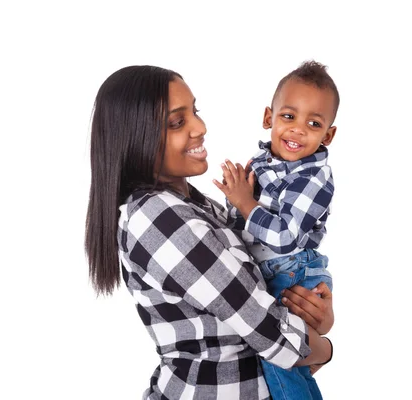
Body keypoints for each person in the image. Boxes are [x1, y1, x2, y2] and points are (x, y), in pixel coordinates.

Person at [84, 65, 334, 400]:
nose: (200, 127)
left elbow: (264, 323)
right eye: (177, 122)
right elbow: (265, 328)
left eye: (195, 112)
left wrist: (313, 313)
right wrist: (323, 346)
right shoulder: (157, 217)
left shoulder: (199, 208)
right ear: (137, 136)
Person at [214, 60, 339, 400]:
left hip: (289, 271)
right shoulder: (261, 162)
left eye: (313, 123)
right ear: (269, 117)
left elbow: (284, 237)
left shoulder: (314, 177)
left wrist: (244, 202)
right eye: (288, 117)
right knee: (279, 359)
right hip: (267, 269)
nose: (298, 129)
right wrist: (234, 197)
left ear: (328, 134)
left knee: (278, 358)